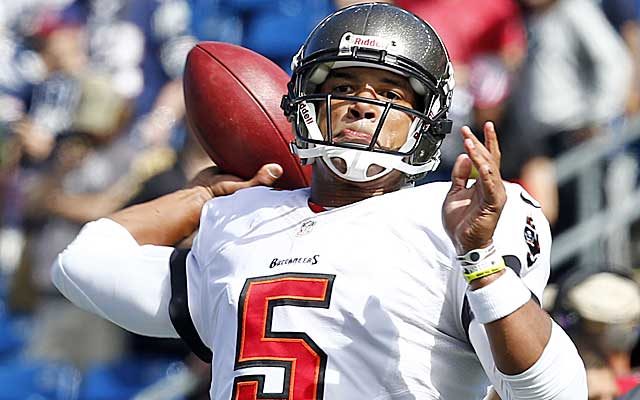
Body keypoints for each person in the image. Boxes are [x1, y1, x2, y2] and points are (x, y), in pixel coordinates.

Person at [50, 3, 587, 399]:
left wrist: (480, 258)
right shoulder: (240, 220)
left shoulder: (454, 217)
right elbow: (82, 264)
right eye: (344, 85)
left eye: (391, 93)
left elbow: (554, 391)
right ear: (302, 102)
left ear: (429, 120)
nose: (360, 104)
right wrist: (204, 195)